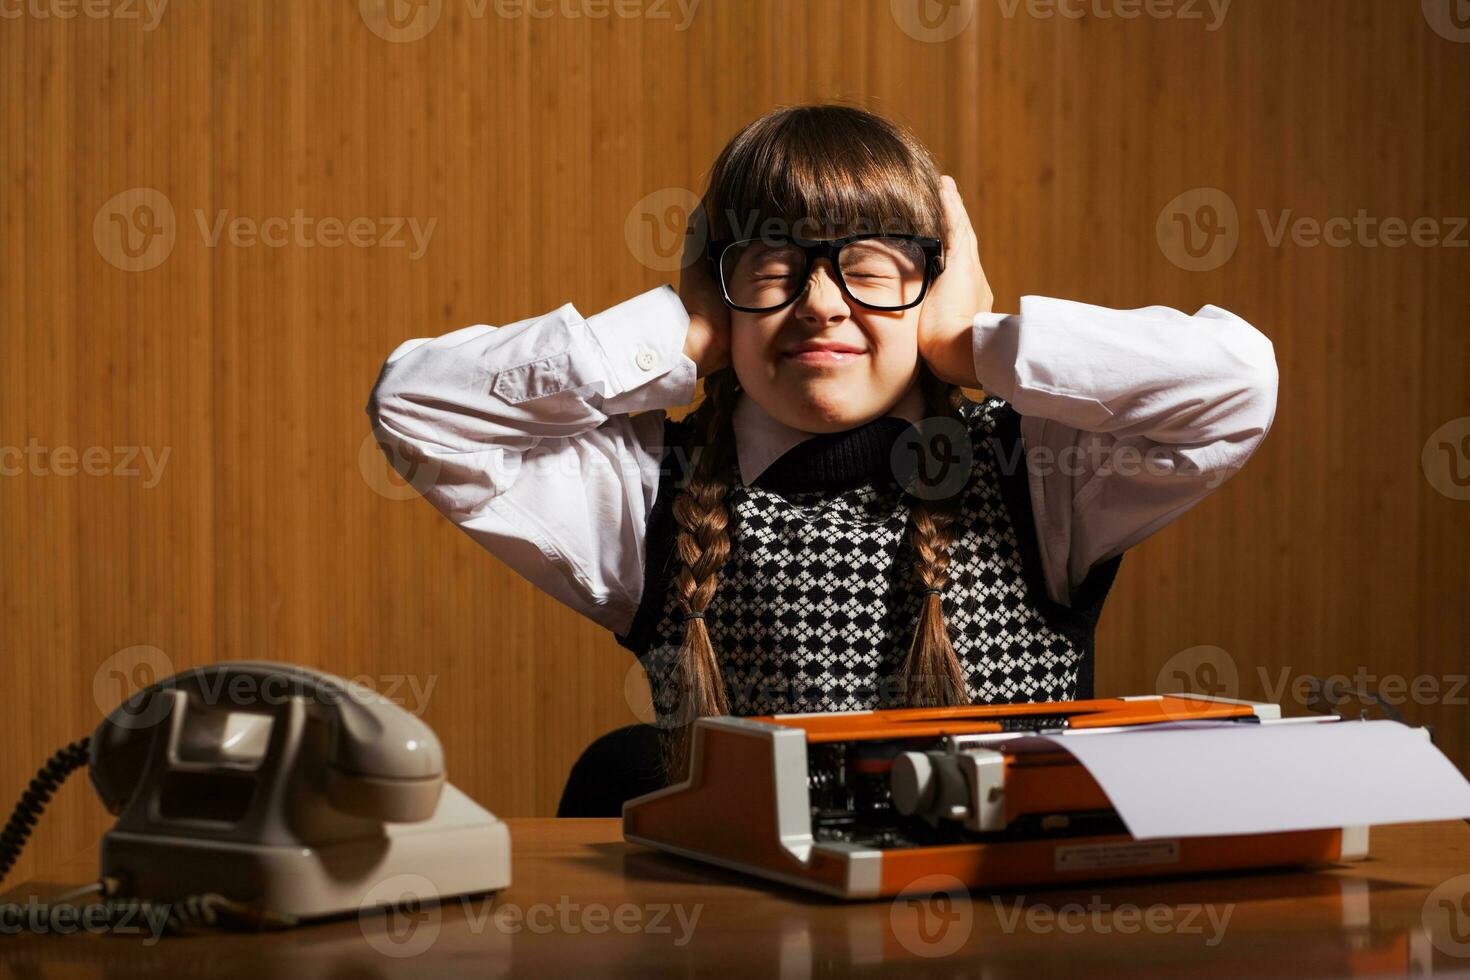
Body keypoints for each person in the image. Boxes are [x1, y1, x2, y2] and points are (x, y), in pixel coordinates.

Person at [365, 103, 1278, 815]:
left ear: (937, 275)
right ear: (718, 289)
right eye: (771, 266)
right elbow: (418, 411)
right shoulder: (649, 494)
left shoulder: (1038, 471)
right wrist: (672, 333)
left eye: (872, 265)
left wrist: (973, 343)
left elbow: (1237, 384)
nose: (821, 304)